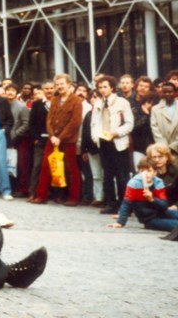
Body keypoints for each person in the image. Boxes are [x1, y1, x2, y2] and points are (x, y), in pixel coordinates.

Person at [32, 74, 83, 206]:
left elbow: (75, 123)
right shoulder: (55, 100)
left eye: (62, 84)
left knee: (71, 168)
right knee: (46, 166)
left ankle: (73, 198)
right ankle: (41, 195)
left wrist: (60, 137)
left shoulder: (76, 101)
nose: (59, 86)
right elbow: (49, 120)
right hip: (53, 139)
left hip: (69, 140)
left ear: (69, 84)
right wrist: (52, 135)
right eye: (58, 84)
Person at [91, 75, 134, 214]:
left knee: (122, 175)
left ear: (112, 88)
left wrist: (116, 133)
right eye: (100, 87)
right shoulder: (98, 103)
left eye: (105, 87)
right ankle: (111, 203)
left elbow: (129, 124)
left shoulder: (122, 102)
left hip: (118, 142)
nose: (102, 90)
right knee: (107, 174)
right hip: (103, 142)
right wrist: (95, 136)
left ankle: (124, 205)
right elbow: (94, 123)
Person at [107, 157, 178, 232]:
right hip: (149, 219)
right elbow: (126, 203)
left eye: (149, 171)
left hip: (162, 212)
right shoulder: (134, 183)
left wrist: (152, 199)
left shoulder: (158, 182)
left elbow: (164, 205)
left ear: (155, 172)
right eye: (142, 171)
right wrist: (120, 222)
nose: (145, 174)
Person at [27, 81, 55, 201]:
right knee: (37, 166)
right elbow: (31, 123)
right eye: (46, 88)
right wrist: (36, 138)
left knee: (55, 166)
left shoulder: (59, 102)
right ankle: (34, 193)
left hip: (55, 139)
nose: (49, 91)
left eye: (51, 88)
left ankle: (56, 194)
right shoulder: (37, 104)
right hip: (41, 140)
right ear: (43, 90)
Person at [150, 82, 178, 159]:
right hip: (163, 151)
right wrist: (164, 147)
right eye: (165, 92)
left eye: (170, 92)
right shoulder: (155, 109)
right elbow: (155, 129)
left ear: (175, 92)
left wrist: (173, 147)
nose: (167, 94)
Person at [149, 143, 178, 208]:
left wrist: (176, 206)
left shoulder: (176, 171)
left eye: (160, 156)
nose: (157, 160)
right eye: (154, 157)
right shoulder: (147, 172)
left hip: (173, 207)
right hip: (154, 208)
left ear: (167, 157)